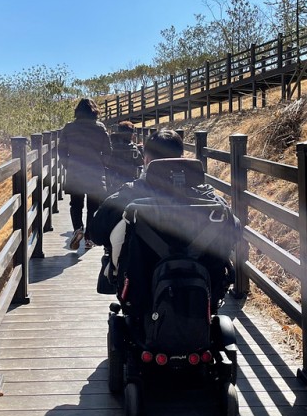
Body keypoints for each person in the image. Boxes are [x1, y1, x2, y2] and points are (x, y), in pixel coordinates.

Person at [91, 129, 239, 304]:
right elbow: (235, 232)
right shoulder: (209, 198)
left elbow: (96, 233)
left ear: (146, 159)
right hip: (202, 294)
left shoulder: (130, 193)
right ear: (181, 158)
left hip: (142, 294)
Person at [58, 98, 112, 250]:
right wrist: (102, 164)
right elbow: (108, 150)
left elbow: (61, 150)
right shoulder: (100, 128)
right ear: (94, 111)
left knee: (75, 204)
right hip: (95, 171)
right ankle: (89, 238)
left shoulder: (69, 127)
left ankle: (78, 229)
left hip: (75, 171)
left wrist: (68, 165)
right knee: (93, 207)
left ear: (78, 111)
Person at [104, 121, 144, 195]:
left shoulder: (111, 146)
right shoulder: (133, 148)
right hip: (129, 181)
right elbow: (140, 164)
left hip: (113, 181)